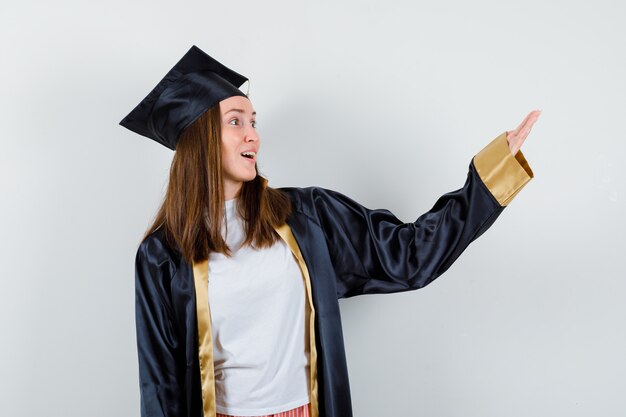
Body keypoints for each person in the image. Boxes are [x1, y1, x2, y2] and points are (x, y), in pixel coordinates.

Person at [119, 45, 539, 417]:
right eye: (235, 122)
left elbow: (409, 256)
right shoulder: (163, 255)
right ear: (200, 139)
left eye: (253, 120)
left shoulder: (305, 216)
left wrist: (488, 178)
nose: (253, 135)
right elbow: (160, 386)